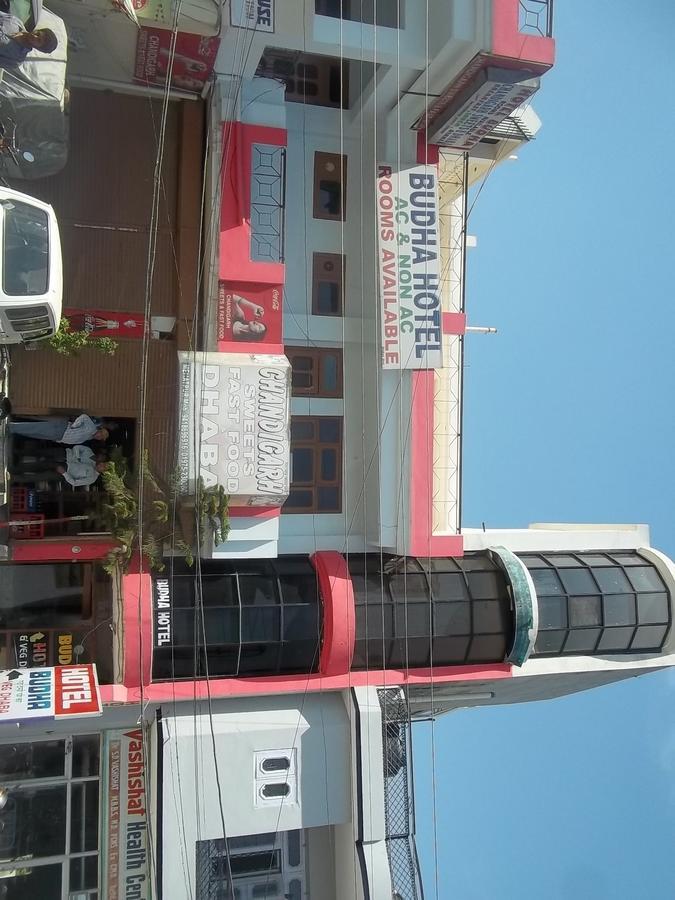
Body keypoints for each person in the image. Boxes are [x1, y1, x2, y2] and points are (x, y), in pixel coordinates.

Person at [9, 414, 112, 444]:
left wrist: (61, 441)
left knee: (35, 434)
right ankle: (11, 427)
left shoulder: (89, 438)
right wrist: (75, 425)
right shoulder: (91, 427)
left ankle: (14, 429)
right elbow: (84, 416)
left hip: (59, 436)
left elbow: (74, 440)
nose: (99, 437)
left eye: (101, 438)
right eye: (101, 435)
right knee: (36, 428)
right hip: (62, 429)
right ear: (100, 431)